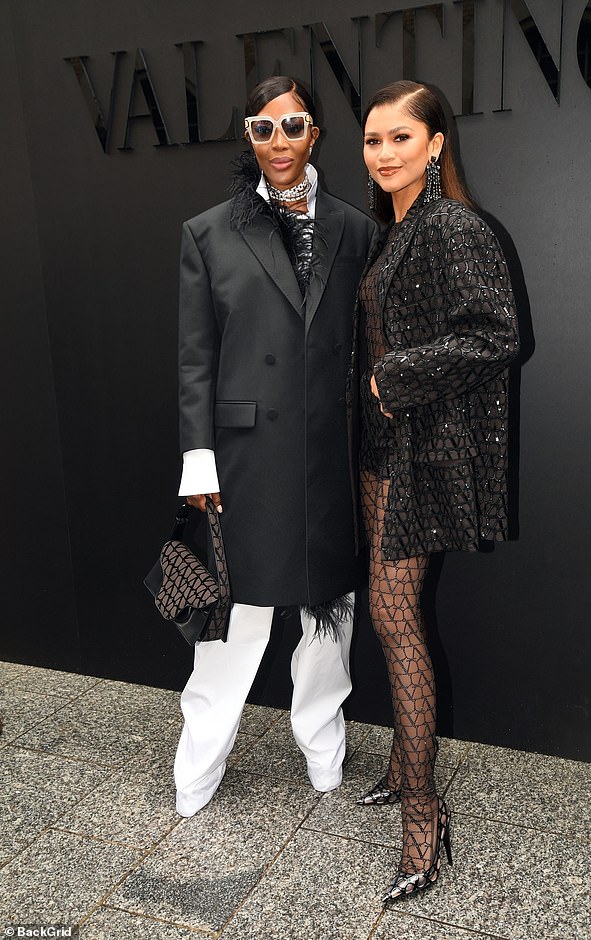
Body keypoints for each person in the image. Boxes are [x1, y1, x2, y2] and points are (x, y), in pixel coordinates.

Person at [174, 76, 377, 818]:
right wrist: (197, 457)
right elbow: (196, 358)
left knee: (330, 612)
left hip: (329, 447)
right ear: (250, 137)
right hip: (244, 457)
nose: (280, 142)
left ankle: (322, 741)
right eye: (263, 127)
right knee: (237, 618)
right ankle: (199, 762)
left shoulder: (356, 228)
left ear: (315, 132)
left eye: (293, 125)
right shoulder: (208, 232)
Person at [352, 81, 519, 901]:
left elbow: (497, 335)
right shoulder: (395, 228)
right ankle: (397, 765)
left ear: (437, 143)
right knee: (392, 617)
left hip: (418, 453)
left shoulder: (454, 224)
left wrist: (395, 376)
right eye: (372, 140)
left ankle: (424, 817)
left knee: (393, 618)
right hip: (381, 453)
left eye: (399, 138)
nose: (383, 153)